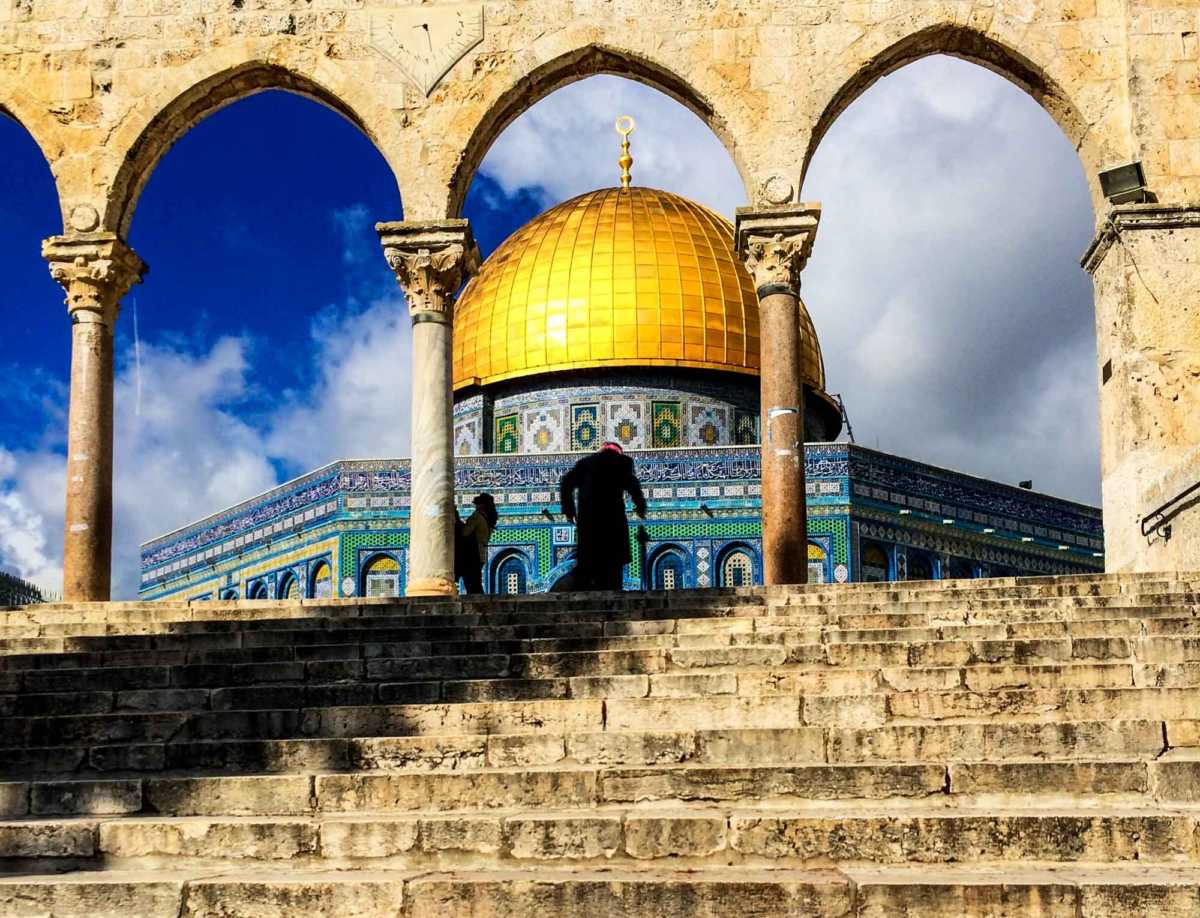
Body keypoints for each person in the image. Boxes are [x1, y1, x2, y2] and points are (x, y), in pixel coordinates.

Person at [560, 442, 647, 591]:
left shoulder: (584, 464)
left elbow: (566, 483)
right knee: (613, 568)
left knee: (588, 563)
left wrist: (569, 510)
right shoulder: (622, 462)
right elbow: (633, 484)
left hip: (589, 523)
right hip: (612, 523)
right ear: (618, 452)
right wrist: (640, 505)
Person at [456, 493, 497, 594]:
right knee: (475, 583)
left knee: (471, 583)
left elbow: (465, 533)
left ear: (482, 505)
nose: (476, 506)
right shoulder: (488, 519)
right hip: (481, 553)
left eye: (477, 504)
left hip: (473, 555)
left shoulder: (477, 517)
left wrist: (457, 521)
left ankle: (479, 607)